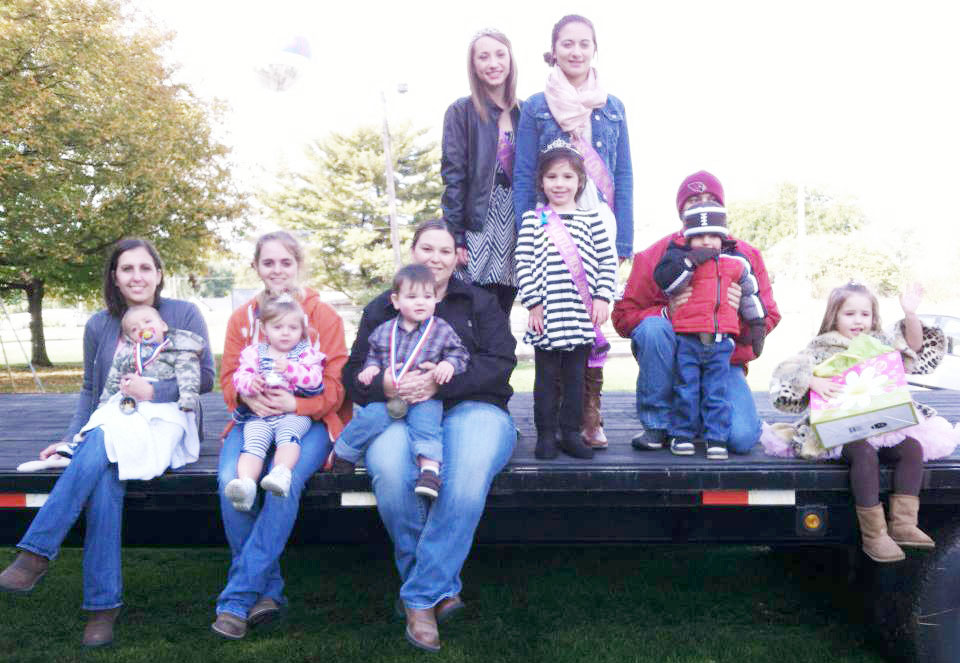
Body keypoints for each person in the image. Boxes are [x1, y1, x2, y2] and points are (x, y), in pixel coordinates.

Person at [0, 239, 214, 647]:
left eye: (145, 268)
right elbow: (89, 389)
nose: (137, 276)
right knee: (102, 475)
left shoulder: (183, 314)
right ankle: (102, 609)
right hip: (115, 420)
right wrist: (68, 440)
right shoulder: (100, 324)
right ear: (114, 277)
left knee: (101, 440)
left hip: (168, 421)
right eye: (127, 269)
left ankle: (37, 554)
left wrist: (155, 390)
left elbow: (203, 377)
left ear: (159, 274)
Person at [343, 218, 516, 652]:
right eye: (426, 249)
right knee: (387, 470)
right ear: (413, 253)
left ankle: (418, 597)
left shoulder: (479, 302)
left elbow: (500, 363)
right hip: (400, 411)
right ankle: (439, 588)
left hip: (473, 407)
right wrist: (382, 382)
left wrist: (441, 383)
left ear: (458, 257)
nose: (434, 258)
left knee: (463, 477)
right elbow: (351, 374)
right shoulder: (384, 306)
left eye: (444, 250)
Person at [213, 231, 350, 640]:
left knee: (281, 483)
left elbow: (337, 387)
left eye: (285, 262)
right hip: (252, 418)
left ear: (298, 265)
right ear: (256, 267)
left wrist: (296, 405)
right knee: (230, 483)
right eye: (268, 263)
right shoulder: (243, 318)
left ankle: (238, 599)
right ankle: (267, 592)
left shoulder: (322, 316)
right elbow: (227, 380)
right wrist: (248, 399)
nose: (277, 270)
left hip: (309, 421)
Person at [761, 282, 959, 562]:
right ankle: (874, 535)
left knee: (912, 448)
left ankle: (904, 524)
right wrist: (812, 379)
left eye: (864, 314)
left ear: (873, 317)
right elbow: (787, 373)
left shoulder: (880, 343)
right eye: (849, 314)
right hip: (841, 430)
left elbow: (914, 347)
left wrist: (910, 314)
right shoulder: (822, 347)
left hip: (882, 424)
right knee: (865, 454)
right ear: (834, 317)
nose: (858, 321)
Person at [514, 14, 633, 449]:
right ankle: (554, 427)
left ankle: (588, 413)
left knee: (592, 325)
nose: (576, 51)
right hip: (551, 219)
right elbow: (527, 171)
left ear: (594, 49)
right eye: (567, 43)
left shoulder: (613, 106)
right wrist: (530, 225)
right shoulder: (535, 105)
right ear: (554, 48)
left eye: (584, 43)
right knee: (554, 339)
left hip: (596, 218)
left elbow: (623, 174)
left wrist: (623, 241)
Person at [612, 170, 781, 454]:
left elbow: (770, 316)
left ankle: (707, 416)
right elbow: (623, 316)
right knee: (653, 328)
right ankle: (658, 424)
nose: (701, 205)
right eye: (693, 201)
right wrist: (667, 312)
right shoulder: (654, 254)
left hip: (722, 358)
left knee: (741, 439)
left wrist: (735, 312)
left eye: (709, 199)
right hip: (676, 359)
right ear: (681, 211)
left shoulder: (745, 255)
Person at [328, 264, 469, 500]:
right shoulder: (385, 331)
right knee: (369, 417)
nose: (421, 302)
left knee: (427, 426)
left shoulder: (441, 329)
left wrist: (449, 365)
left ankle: (430, 472)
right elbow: (373, 353)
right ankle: (344, 455)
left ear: (436, 299)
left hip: (424, 396)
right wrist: (371, 368)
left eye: (427, 296)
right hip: (391, 396)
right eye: (412, 297)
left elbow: (460, 353)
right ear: (396, 300)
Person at [516, 141, 616, 460]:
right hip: (545, 315)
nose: (559, 184)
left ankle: (571, 434)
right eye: (552, 177)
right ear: (541, 182)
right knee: (545, 380)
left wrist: (601, 297)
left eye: (567, 177)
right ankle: (546, 435)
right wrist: (533, 302)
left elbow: (606, 262)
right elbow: (523, 262)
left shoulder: (592, 219)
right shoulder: (535, 219)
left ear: (580, 181)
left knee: (575, 380)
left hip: (579, 315)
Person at [652, 200, 767, 459]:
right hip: (688, 340)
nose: (706, 242)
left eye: (713, 235)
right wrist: (690, 263)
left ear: (723, 236)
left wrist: (757, 325)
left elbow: (751, 294)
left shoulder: (736, 263)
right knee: (686, 389)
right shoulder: (679, 259)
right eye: (699, 236)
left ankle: (717, 438)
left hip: (721, 342)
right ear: (688, 237)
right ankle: (682, 434)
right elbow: (667, 284)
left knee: (717, 392)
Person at [54, 304, 205, 460]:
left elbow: (188, 376)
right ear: (132, 338)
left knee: (149, 427)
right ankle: (81, 442)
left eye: (148, 322)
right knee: (105, 417)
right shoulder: (128, 353)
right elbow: (113, 379)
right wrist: (103, 405)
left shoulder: (180, 350)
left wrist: (188, 399)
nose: (143, 328)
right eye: (134, 329)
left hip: (161, 403)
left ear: (163, 325)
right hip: (129, 399)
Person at [441, 28, 522, 315]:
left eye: (500, 55)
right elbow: (454, 178)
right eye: (483, 57)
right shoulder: (460, 112)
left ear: (510, 59)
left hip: (515, 224)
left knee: (503, 314)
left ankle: (501, 361)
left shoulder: (525, 112)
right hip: (477, 223)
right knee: (474, 313)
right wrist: (456, 235)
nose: (493, 63)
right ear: (473, 64)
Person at [225, 294, 326, 511]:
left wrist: (291, 370)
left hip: (293, 414)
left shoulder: (305, 354)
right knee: (252, 444)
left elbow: (315, 381)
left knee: (288, 436)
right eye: (278, 327)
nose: (286, 332)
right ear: (264, 329)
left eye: (293, 327)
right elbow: (238, 377)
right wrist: (250, 383)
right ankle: (246, 485)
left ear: (302, 330)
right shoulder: (254, 353)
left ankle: (281, 473)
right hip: (259, 415)